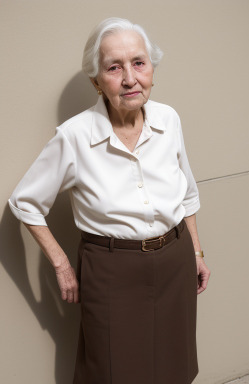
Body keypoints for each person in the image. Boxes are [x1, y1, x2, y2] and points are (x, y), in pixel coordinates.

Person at [8, 17, 211, 384]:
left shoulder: (169, 119)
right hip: (111, 270)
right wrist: (61, 264)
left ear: (152, 69)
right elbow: (24, 202)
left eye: (139, 63)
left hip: (175, 260)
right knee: (113, 372)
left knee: (174, 364)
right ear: (96, 80)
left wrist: (196, 252)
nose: (130, 78)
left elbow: (187, 193)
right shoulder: (74, 136)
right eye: (114, 67)